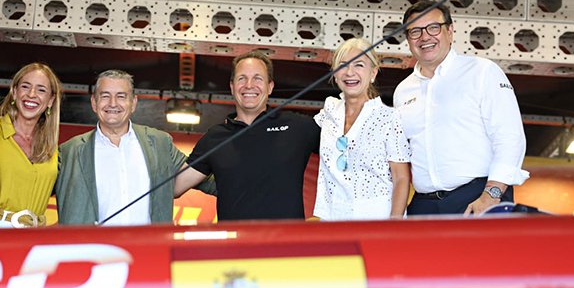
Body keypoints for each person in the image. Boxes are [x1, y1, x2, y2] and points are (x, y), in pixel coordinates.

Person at [393, 0, 529, 216]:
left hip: (477, 197)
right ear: (408, 39)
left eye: (433, 28)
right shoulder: (403, 91)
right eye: (415, 31)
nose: (425, 37)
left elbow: (510, 137)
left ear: (450, 31)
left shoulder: (482, 71)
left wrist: (492, 194)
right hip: (423, 205)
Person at [174, 50, 320, 220]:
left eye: (258, 78)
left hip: (284, 237)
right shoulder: (215, 137)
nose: (249, 85)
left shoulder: (298, 127)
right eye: (242, 78)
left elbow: (343, 152)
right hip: (235, 237)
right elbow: (175, 187)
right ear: (232, 86)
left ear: (270, 87)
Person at [55, 69, 214, 225]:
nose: (113, 103)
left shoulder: (160, 143)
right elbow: (41, 186)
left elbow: (204, 177)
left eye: (121, 96)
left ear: (133, 103)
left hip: (149, 242)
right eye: (105, 96)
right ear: (94, 103)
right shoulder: (69, 151)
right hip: (93, 243)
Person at [314, 38, 411, 220]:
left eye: (359, 65)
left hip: (377, 220)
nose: (350, 72)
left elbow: (401, 178)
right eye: (343, 65)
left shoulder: (388, 118)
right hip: (332, 218)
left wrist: (395, 224)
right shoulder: (328, 112)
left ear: (373, 73)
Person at [0, 63, 62, 228]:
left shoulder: (52, 146)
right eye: (25, 86)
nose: (31, 94)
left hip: (36, 234)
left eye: (41, 90)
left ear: (51, 100)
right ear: (14, 92)